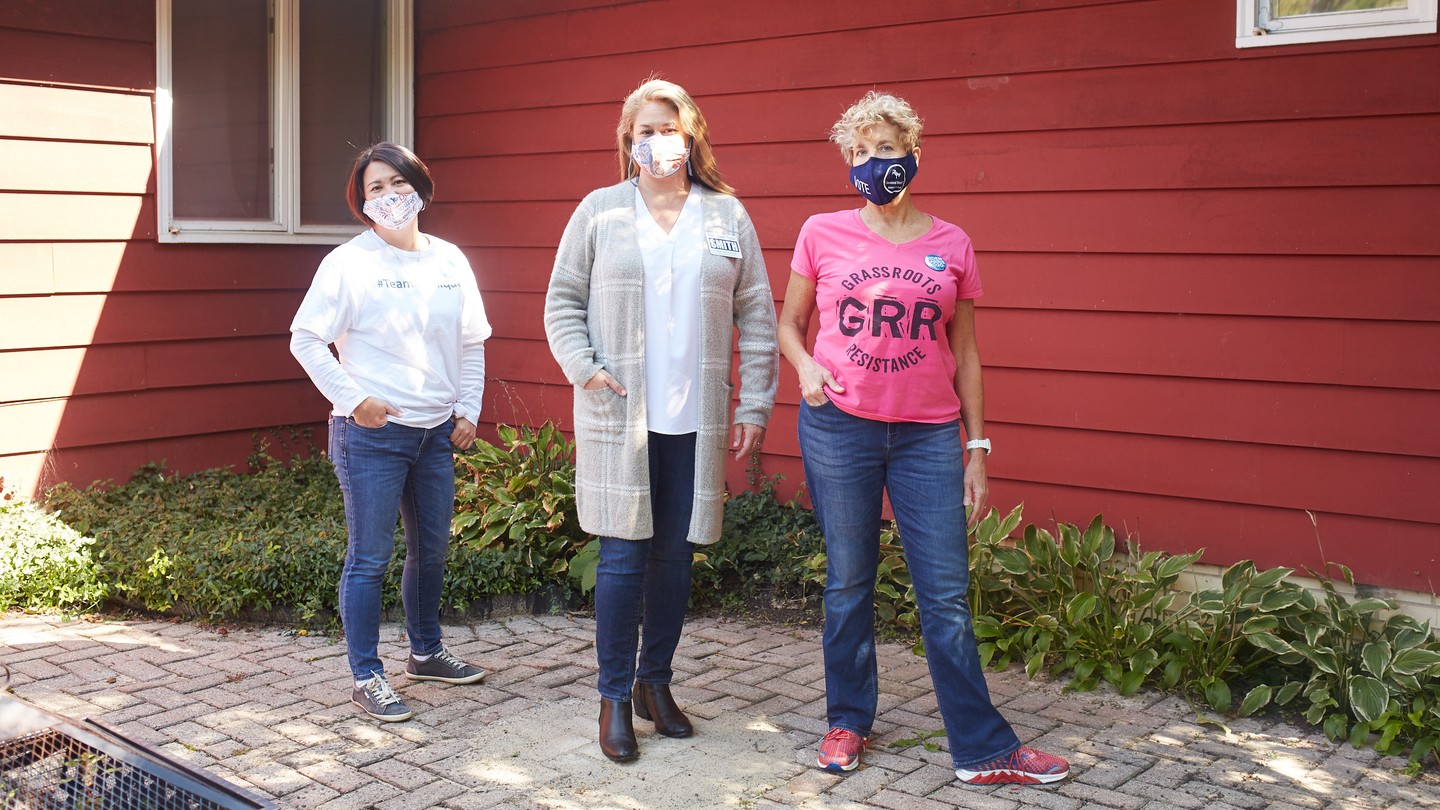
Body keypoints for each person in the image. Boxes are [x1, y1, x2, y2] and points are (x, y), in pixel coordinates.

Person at [777, 92, 1071, 785]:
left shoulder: (952, 244)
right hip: (838, 430)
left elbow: (965, 352)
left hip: (928, 437)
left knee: (942, 593)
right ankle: (847, 720)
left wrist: (978, 449)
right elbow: (789, 324)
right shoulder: (821, 232)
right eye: (858, 152)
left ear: (911, 154)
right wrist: (808, 366)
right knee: (849, 583)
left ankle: (982, 749)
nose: (871, 164)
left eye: (884, 149)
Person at [544, 78, 779, 762]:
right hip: (621, 414)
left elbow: (758, 315)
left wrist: (755, 401)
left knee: (674, 559)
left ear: (693, 134)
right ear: (628, 141)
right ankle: (613, 697)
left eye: (668, 127)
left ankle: (656, 684)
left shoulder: (726, 216)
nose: (656, 141)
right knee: (621, 558)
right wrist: (586, 368)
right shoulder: (600, 211)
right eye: (643, 130)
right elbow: (562, 302)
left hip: (695, 418)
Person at [291, 142, 490, 723]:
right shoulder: (348, 263)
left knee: (430, 552)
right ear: (362, 201)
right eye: (373, 188)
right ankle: (366, 675)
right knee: (370, 556)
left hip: (435, 435)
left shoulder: (451, 260)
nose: (387, 196)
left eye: (396, 183)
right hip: (373, 437)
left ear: (420, 189)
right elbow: (306, 338)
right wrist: (355, 401)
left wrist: (468, 410)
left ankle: (426, 652)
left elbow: (470, 341)